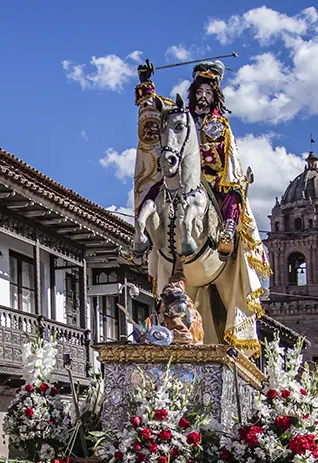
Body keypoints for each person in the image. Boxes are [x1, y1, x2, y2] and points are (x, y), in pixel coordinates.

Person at [130, 59, 271, 356]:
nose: (203, 96)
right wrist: (146, 83)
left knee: (232, 191)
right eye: (199, 91)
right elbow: (155, 109)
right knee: (154, 192)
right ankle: (140, 236)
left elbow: (226, 165)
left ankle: (228, 232)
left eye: (209, 91)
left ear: (215, 94)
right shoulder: (183, 115)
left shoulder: (220, 126)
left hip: (212, 182)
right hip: (181, 176)